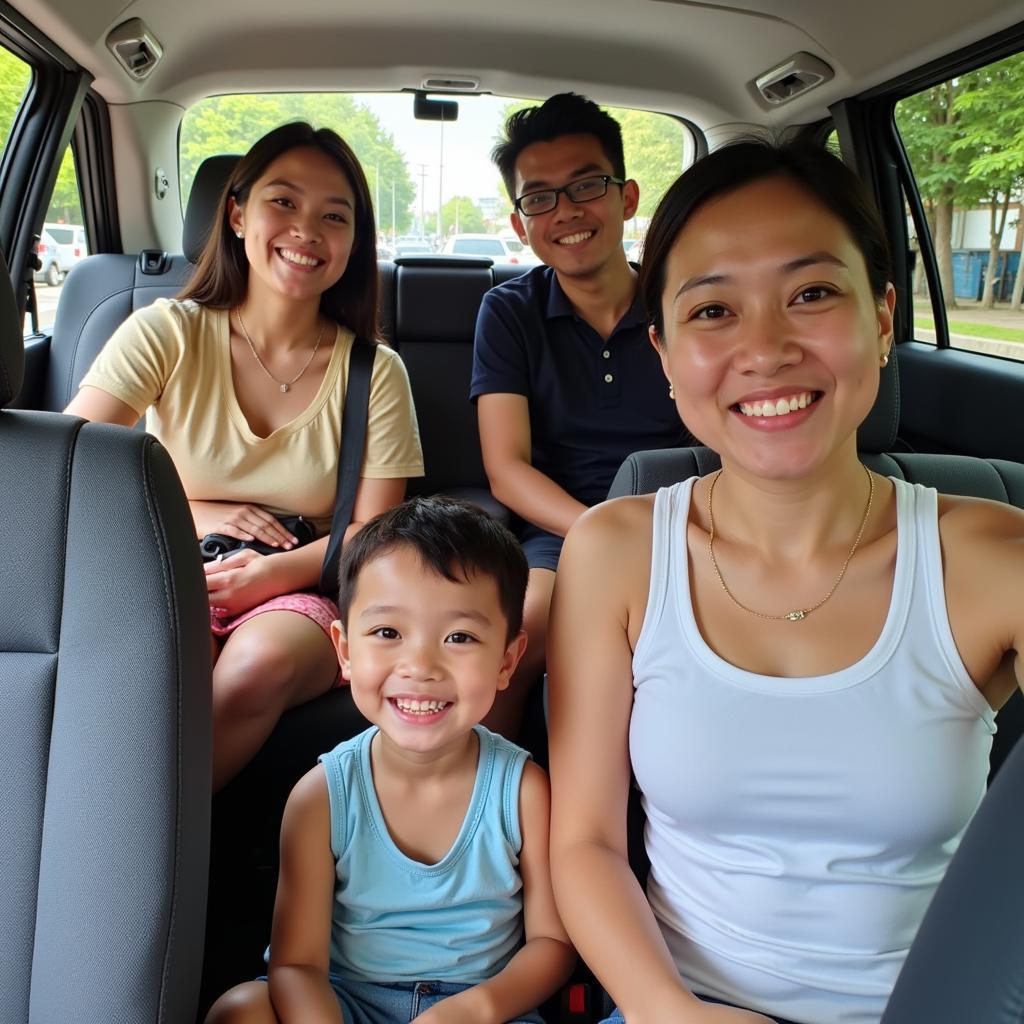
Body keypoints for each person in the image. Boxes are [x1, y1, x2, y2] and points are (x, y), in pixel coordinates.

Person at [547, 139, 1024, 1024]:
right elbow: (583, 843)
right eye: (714, 310)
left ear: (883, 319)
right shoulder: (615, 552)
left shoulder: (994, 560)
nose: (764, 350)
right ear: (664, 351)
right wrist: (669, 1013)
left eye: (811, 294)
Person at [64, 122, 424, 789]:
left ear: (354, 241)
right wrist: (196, 510)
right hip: (175, 568)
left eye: (333, 216)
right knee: (160, 668)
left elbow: (375, 534)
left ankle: (152, 849)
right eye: (282, 202)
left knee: (253, 668)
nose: (306, 230)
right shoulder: (167, 332)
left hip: (306, 585)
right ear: (236, 213)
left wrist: (273, 574)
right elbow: (66, 470)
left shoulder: (376, 372)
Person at [204, 495, 576, 1024]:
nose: (420, 665)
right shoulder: (322, 795)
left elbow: (550, 943)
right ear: (345, 650)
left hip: (478, 1009)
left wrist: (477, 1009)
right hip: (346, 1001)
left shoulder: (521, 790)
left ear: (507, 660)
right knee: (240, 1010)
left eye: (460, 637)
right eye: (387, 633)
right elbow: (296, 965)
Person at [471, 92, 684, 736]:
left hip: (689, 517)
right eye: (539, 197)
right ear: (520, 223)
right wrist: (602, 533)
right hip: (564, 529)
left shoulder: (684, 303)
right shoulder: (509, 312)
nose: (565, 212)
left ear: (626, 197)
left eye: (586, 185)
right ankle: (499, 805)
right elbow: (506, 470)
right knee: (519, 637)